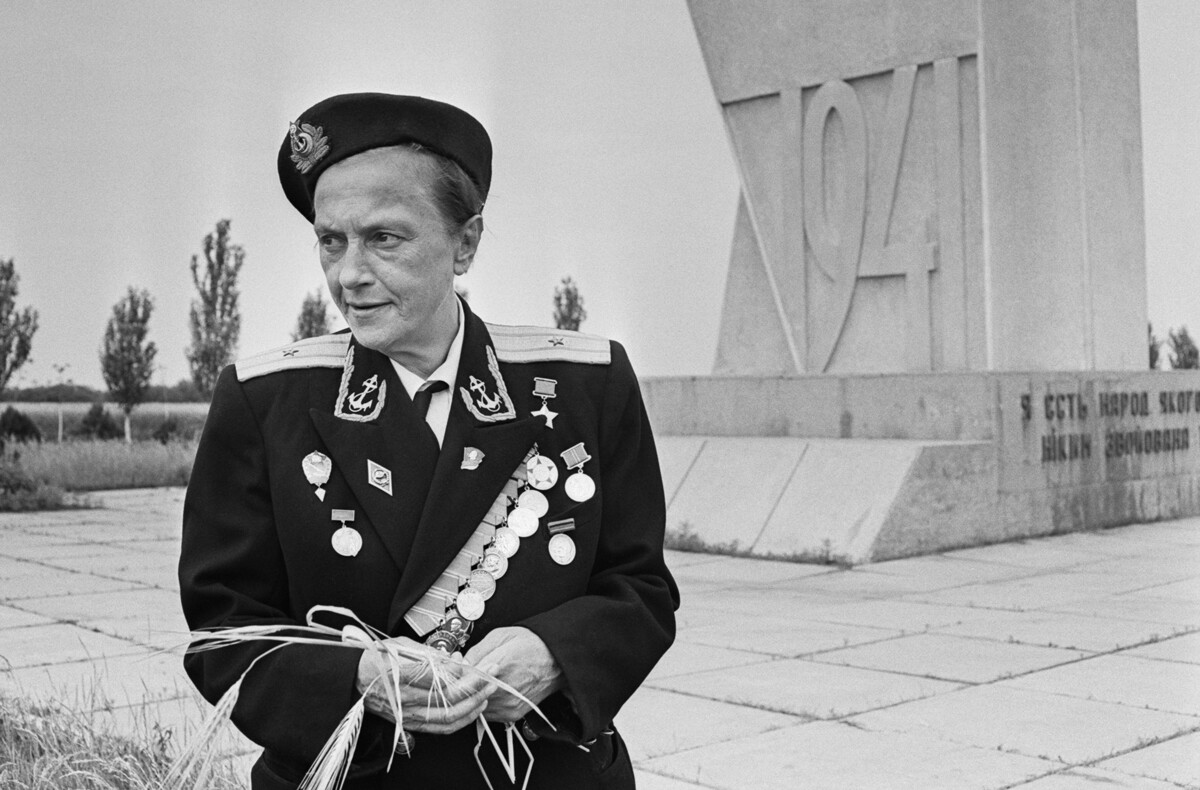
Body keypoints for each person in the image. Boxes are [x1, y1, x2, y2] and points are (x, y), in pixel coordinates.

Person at [178, 92, 679, 789]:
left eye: (385, 238)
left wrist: (554, 653)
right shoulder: (266, 402)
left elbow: (641, 588)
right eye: (331, 240)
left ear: (465, 242)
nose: (349, 275)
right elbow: (223, 631)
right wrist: (354, 678)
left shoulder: (583, 385)